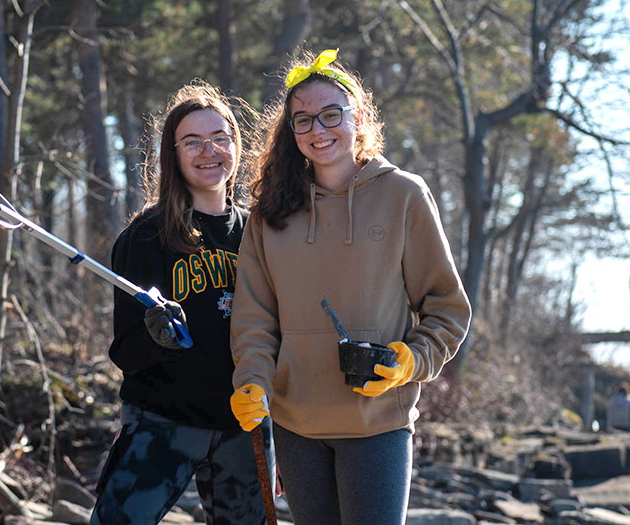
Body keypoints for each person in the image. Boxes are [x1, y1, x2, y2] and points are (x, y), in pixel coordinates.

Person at [228, 49, 471, 525]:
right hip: (295, 427)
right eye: (303, 120)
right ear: (291, 131)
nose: (319, 130)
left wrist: (411, 362)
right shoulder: (269, 213)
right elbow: (255, 318)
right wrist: (252, 380)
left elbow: (446, 310)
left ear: (357, 116)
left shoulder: (403, 195)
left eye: (331, 115)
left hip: (377, 425)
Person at [90, 82, 274, 525]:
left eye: (219, 138)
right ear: (173, 154)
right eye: (192, 142)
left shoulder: (261, 234)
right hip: (161, 425)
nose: (208, 151)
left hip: (242, 430)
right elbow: (125, 354)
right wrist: (158, 338)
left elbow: (277, 332)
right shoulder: (145, 237)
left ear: (236, 144)